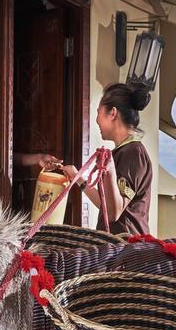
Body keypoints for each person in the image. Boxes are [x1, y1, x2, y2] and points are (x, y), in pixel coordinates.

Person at [61, 83, 153, 235]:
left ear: (113, 113)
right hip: (117, 247)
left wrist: (109, 172)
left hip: (126, 249)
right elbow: (106, 206)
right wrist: (76, 176)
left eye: (99, 112)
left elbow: (113, 213)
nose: (96, 120)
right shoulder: (123, 151)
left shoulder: (133, 153)